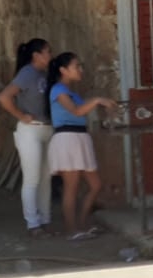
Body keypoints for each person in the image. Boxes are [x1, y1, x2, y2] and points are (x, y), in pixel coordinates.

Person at [45, 52, 115, 241]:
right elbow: (76, 111)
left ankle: (81, 223)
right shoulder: (58, 90)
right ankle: (71, 228)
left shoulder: (72, 93)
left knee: (95, 185)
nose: (80, 70)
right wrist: (97, 100)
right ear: (63, 70)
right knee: (72, 187)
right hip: (67, 138)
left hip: (79, 137)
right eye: (77, 66)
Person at [0, 38, 55, 237]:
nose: (50, 55)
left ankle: (45, 219)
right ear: (36, 55)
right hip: (30, 130)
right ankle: (33, 223)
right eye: (47, 51)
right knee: (32, 179)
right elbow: (4, 96)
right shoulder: (27, 73)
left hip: (47, 128)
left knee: (46, 178)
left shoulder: (45, 74)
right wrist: (21, 116)